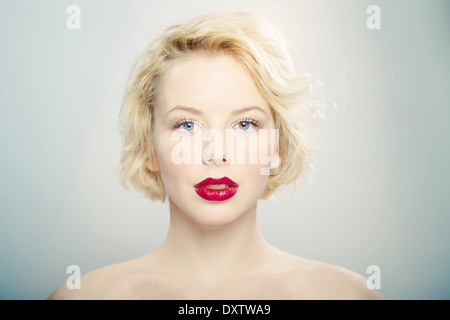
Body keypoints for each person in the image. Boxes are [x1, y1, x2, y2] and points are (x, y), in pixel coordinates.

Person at [49, 11, 382, 299]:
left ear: (278, 148)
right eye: (187, 125)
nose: (217, 154)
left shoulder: (346, 296)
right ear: (148, 147)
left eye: (246, 124)